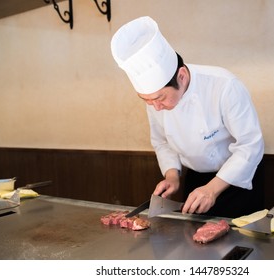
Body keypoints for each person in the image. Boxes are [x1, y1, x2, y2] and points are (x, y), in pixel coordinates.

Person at [111, 16, 264, 218]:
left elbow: (250, 144)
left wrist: (212, 189)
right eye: (146, 100)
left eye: (159, 98)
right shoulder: (155, 100)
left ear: (181, 76)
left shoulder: (224, 86)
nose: (155, 107)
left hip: (235, 181)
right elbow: (162, 141)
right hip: (195, 181)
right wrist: (172, 176)